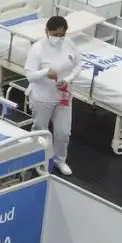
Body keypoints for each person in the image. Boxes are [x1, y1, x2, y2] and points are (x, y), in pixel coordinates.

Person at [24, 14, 79, 176]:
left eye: (62, 35)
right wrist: (46, 72)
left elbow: (78, 66)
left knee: (63, 132)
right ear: (47, 31)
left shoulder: (69, 44)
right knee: (41, 130)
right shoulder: (38, 49)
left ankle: (59, 160)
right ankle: (40, 160)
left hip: (63, 95)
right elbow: (30, 76)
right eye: (55, 34)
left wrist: (67, 80)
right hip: (42, 97)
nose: (59, 38)